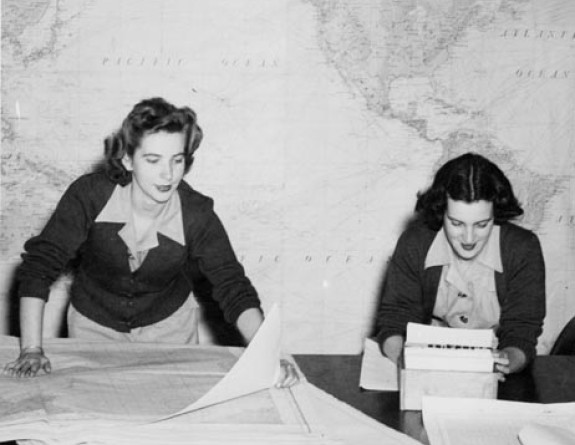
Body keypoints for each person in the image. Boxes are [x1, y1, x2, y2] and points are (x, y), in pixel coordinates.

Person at [4, 97, 298, 386]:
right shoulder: (90, 196)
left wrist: (267, 357)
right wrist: (32, 349)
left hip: (170, 331)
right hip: (93, 328)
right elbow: (38, 268)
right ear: (128, 159)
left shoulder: (196, 213)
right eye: (153, 160)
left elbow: (233, 287)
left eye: (177, 160)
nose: (168, 174)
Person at [375, 152, 546, 377]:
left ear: (496, 214)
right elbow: (395, 317)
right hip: (425, 363)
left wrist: (507, 359)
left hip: (494, 369)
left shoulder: (523, 249)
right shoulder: (415, 243)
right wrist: (405, 359)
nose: (468, 238)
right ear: (441, 213)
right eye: (456, 223)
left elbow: (522, 329)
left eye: (481, 224)